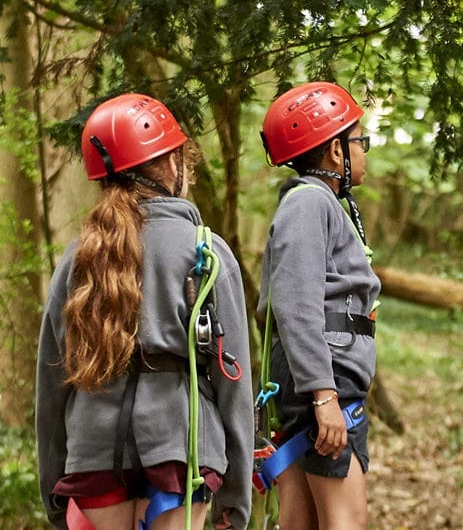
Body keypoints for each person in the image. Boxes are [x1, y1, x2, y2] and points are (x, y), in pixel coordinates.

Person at [35, 93, 254, 530]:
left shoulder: (78, 256)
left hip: (93, 459)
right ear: (173, 165)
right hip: (182, 454)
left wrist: (54, 489)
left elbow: (51, 382)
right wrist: (236, 494)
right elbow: (235, 387)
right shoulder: (206, 252)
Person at [256, 82, 380, 530]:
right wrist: (324, 395)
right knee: (346, 521)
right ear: (335, 152)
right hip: (322, 385)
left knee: (302, 522)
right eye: (358, 141)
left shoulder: (317, 204)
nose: (364, 150)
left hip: (312, 381)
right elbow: (294, 303)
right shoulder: (309, 203)